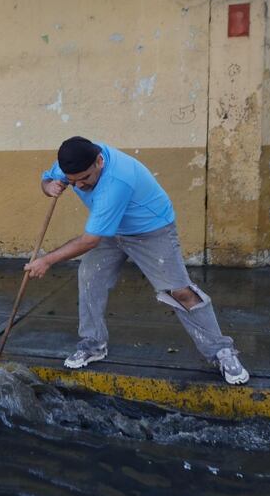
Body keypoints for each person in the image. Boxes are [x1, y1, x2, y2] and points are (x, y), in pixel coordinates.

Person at [24, 136, 249, 385]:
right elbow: (48, 178)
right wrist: (49, 186)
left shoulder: (116, 181)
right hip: (113, 229)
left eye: (85, 179)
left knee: (180, 292)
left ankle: (221, 351)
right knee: (90, 277)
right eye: (72, 181)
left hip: (151, 230)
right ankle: (93, 344)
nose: (79, 186)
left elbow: (90, 240)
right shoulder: (74, 160)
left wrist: (46, 260)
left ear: (99, 161)